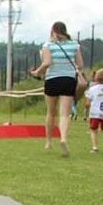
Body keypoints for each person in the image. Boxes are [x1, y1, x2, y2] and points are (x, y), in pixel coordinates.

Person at [30, 22, 83, 157]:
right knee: (65, 113)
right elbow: (80, 65)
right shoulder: (74, 45)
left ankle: (48, 141)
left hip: (52, 79)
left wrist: (37, 72)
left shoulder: (48, 45)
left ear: (53, 31)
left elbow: (47, 63)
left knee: (50, 112)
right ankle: (63, 138)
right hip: (68, 80)